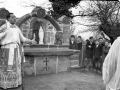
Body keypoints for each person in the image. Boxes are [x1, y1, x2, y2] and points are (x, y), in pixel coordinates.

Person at [0, 13, 36, 89]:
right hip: (7, 50)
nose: (15, 18)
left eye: (15, 17)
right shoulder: (4, 27)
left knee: (15, 67)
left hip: (15, 50)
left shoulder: (16, 28)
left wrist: (31, 41)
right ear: (8, 18)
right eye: (13, 17)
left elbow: (22, 38)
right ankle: (6, 83)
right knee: (7, 67)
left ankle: (14, 83)